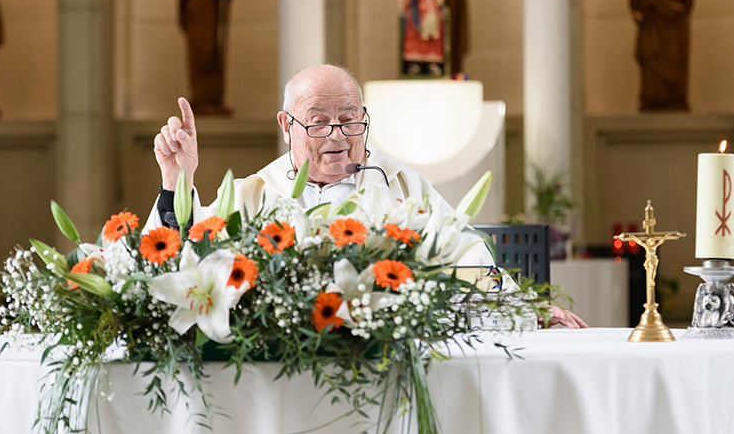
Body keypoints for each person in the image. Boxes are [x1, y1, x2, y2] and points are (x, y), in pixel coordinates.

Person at [146, 64, 586, 329]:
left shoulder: (402, 188)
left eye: (350, 120)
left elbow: (464, 259)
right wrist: (176, 181)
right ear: (286, 127)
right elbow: (184, 263)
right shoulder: (253, 195)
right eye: (318, 122)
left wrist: (522, 310)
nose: (337, 136)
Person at [179, 0, 232, 114]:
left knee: (210, 56)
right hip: (194, 22)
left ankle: (212, 97)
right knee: (196, 60)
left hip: (209, 21)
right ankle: (198, 97)